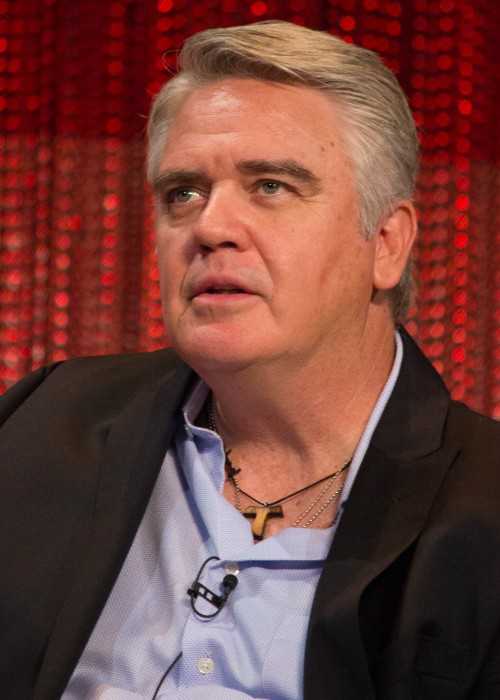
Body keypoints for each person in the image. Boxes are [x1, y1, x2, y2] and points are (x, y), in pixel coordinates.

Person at [1, 19, 499, 700]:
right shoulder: (43, 422)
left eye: (270, 186)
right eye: (183, 193)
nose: (208, 227)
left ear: (385, 243)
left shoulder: (484, 505)